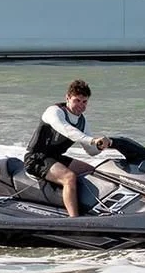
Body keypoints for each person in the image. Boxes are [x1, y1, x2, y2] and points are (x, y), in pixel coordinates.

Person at [25, 78, 108, 218]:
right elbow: (68, 131)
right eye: (77, 100)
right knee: (69, 177)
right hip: (36, 159)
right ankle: (74, 219)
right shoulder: (54, 112)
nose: (81, 105)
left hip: (56, 158)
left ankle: (94, 210)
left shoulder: (82, 121)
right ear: (68, 98)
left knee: (92, 171)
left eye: (84, 102)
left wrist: (104, 145)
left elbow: (91, 151)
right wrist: (93, 140)